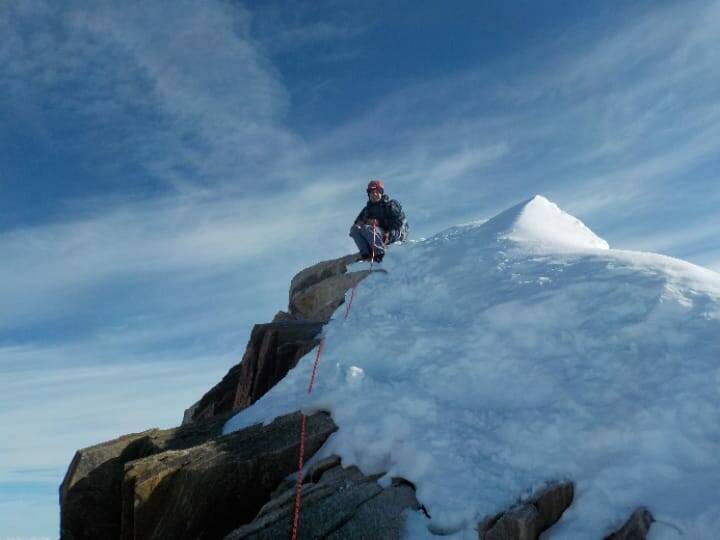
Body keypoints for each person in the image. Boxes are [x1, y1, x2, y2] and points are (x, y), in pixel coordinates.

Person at [349, 179, 407, 262]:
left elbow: (399, 222)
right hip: (374, 234)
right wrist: (363, 222)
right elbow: (357, 223)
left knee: (367, 228)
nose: (374, 194)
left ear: (381, 192)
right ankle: (366, 254)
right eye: (371, 192)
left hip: (391, 233)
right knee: (355, 228)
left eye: (377, 191)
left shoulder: (390, 205)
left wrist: (380, 223)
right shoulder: (366, 210)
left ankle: (380, 253)